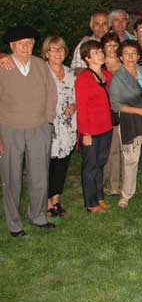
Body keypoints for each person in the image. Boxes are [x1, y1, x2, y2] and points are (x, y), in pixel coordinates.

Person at [0, 26, 57, 237]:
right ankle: (14, 224)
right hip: (9, 130)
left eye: (30, 42)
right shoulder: (3, 66)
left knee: (40, 176)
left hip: (39, 128)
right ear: (12, 46)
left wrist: (48, 121)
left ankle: (38, 216)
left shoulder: (40, 65)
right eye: (21, 43)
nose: (26, 46)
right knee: (11, 178)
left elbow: (52, 92)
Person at [109, 40, 142, 208]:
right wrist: (139, 111)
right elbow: (115, 104)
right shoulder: (118, 77)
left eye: (134, 53)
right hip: (130, 122)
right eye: (126, 53)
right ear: (121, 57)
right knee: (130, 160)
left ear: (138, 55)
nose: (130, 57)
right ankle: (126, 194)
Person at [75, 40, 113, 213]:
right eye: (96, 52)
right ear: (87, 58)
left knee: (100, 164)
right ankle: (90, 203)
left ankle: (99, 197)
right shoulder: (83, 78)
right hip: (91, 130)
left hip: (106, 128)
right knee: (90, 167)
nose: (101, 54)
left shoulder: (107, 74)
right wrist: (85, 133)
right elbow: (81, 109)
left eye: (100, 51)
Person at [42, 36, 77, 217]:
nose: (58, 53)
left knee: (62, 163)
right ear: (46, 53)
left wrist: (74, 105)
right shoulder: (41, 72)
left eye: (61, 49)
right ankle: (46, 201)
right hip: (47, 125)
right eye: (53, 49)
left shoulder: (71, 73)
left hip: (67, 126)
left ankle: (56, 199)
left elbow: (77, 96)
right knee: (46, 163)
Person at [101, 32, 122, 196]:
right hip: (103, 112)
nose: (112, 48)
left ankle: (114, 184)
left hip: (120, 111)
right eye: (108, 45)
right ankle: (102, 181)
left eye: (115, 45)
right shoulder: (99, 65)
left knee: (117, 149)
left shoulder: (123, 64)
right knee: (106, 149)